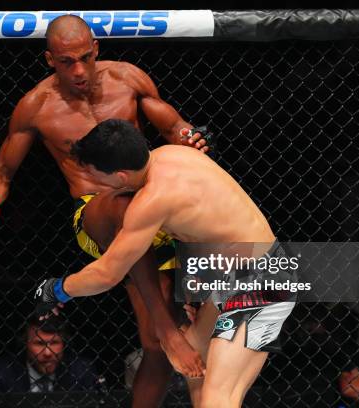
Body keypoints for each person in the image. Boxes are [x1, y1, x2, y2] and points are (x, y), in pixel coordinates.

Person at [0, 14, 210, 404]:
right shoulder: (36, 105)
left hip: (153, 208)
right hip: (97, 214)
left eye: (83, 58)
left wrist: (189, 136)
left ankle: (175, 328)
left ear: (96, 49)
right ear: (49, 60)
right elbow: (2, 171)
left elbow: (175, 125)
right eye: (65, 62)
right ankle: (169, 327)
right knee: (127, 210)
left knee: (157, 352)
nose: (78, 70)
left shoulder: (128, 78)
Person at [33, 119, 297, 407]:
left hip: (260, 280)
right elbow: (209, 225)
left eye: (97, 177)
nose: (99, 187)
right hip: (236, 275)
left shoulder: (151, 200)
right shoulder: (176, 154)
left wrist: (57, 289)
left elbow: (107, 273)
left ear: (121, 177)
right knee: (195, 352)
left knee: (219, 397)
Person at [0, 315, 98, 394]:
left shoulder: (81, 370)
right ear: (25, 344)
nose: (48, 353)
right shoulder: (1, 374)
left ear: (64, 344)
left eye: (54, 343)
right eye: (39, 343)